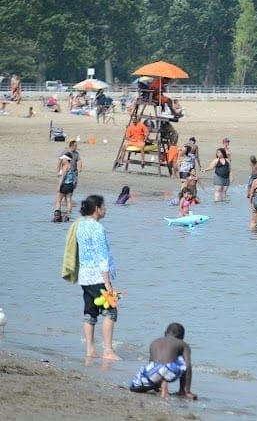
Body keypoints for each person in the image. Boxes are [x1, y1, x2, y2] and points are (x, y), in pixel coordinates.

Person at [76, 195, 120, 360]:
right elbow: (102, 257)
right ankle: (108, 350)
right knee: (110, 312)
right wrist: (107, 282)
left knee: (90, 312)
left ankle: (90, 350)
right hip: (98, 277)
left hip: (85, 277)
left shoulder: (80, 225)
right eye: (104, 206)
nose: (106, 209)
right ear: (97, 209)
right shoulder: (97, 228)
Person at [130, 322, 196, 399]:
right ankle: (183, 391)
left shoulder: (154, 342)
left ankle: (156, 386)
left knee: (134, 387)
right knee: (181, 361)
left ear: (165, 333)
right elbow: (187, 365)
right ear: (182, 337)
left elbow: (151, 363)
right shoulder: (182, 344)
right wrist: (187, 390)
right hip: (168, 371)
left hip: (153, 373)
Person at [54, 153, 76, 221]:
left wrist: (59, 186)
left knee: (58, 201)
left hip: (64, 185)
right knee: (69, 200)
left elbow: (63, 177)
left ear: (66, 159)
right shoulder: (71, 166)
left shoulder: (65, 167)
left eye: (63, 159)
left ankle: (57, 216)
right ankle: (69, 213)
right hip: (70, 185)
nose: (62, 160)